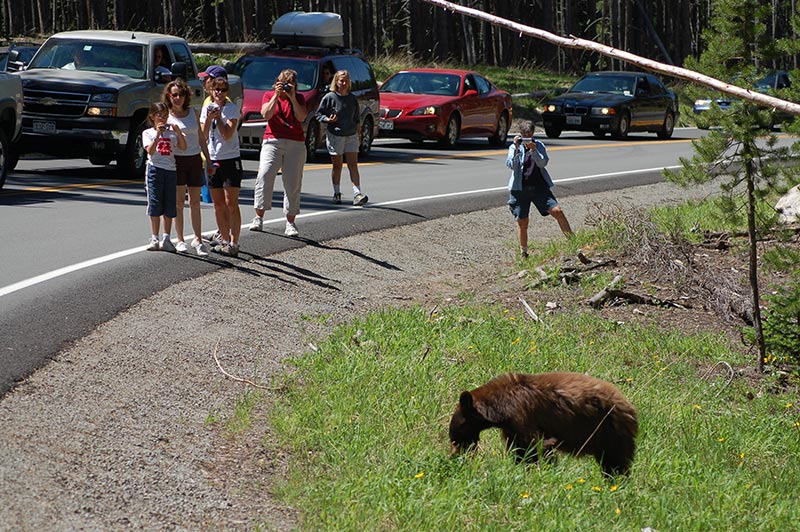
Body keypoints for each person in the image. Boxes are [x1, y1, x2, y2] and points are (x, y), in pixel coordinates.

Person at [249, 69, 307, 237]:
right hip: (272, 140)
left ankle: (290, 222)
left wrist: (292, 96)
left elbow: (301, 117)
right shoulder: (268, 95)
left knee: (293, 182)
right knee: (264, 175)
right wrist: (276, 95)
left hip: (295, 143)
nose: (287, 86)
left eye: (290, 83)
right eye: (284, 82)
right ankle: (258, 217)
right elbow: (266, 114)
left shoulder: (299, 98)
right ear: (277, 82)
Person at [505, 121, 573, 258]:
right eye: (524, 135)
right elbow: (511, 165)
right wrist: (518, 149)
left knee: (557, 211)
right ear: (520, 134)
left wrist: (534, 150)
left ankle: (573, 242)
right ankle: (523, 253)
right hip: (520, 188)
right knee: (522, 222)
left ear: (533, 134)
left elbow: (543, 163)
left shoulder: (539, 145)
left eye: (529, 135)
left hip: (539, 187)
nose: (526, 138)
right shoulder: (514, 147)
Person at [163, 79, 211, 256]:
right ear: (169, 96)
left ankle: (198, 239)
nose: (177, 98)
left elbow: (200, 137)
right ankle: (180, 239)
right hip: (176, 161)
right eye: (174, 94)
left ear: (186, 96)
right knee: (178, 203)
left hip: (194, 159)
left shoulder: (193, 112)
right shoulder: (166, 116)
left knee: (195, 202)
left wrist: (209, 159)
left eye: (181, 94)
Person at [200, 75, 242, 257]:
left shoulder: (232, 109)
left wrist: (219, 119)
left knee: (231, 202)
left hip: (230, 158)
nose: (219, 93)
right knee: (218, 204)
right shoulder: (206, 108)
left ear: (227, 93)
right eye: (216, 89)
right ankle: (224, 240)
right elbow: (202, 135)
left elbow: (227, 134)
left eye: (223, 90)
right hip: (213, 158)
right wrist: (209, 118)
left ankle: (234, 241)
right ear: (211, 90)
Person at [315, 70, 368, 206]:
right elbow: (319, 114)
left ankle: (357, 193)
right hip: (336, 135)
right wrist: (328, 119)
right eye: (341, 81)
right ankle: (337, 192)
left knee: (353, 165)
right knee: (337, 165)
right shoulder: (330, 97)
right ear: (336, 82)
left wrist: (359, 133)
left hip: (351, 135)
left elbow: (356, 118)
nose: (344, 83)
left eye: (346, 81)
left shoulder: (352, 98)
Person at [142, 102, 187, 251]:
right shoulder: (147, 133)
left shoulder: (172, 133)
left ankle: (166, 238)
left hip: (170, 169)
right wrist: (158, 134)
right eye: (159, 115)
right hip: (155, 169)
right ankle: (155, 237)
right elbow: (150, 151)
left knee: (169, 204)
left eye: (165, 115)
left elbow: (183, 146)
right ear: (152, 117)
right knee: (155, 202)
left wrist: (178, 132)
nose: (162, 118)